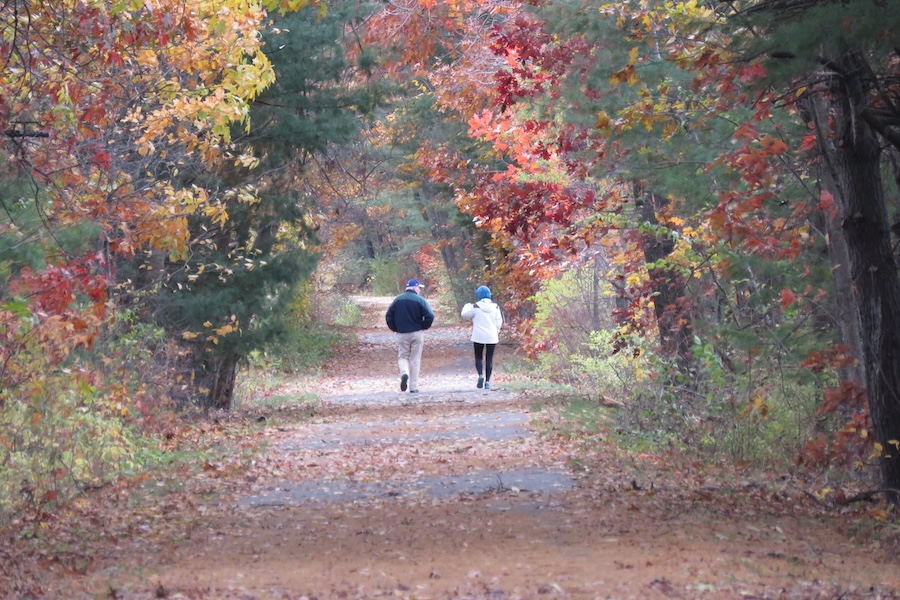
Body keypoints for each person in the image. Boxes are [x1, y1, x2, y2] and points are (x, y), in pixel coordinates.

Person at [385, 278, 435, 393]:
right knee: (415, 360)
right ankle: (413, 387)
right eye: (419, 288)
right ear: (414, 287)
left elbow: (389, 316)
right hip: (417, 333)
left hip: (402, 333)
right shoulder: (420, 300)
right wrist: (424, 326)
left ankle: (404, 373)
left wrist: (395, 328)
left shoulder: (397, 300)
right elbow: (430, 316)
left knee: (403, 357)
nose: (419, 290)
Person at [461, 285, 503, 390]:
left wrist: (467, 305)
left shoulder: (475, 307)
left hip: (478, 336)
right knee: (489, 358)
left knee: (478, 357)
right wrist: (496, 331)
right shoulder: (495, 307)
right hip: (492, 336)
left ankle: (480, 375)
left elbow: (464, 314)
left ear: (478, 295)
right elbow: (499, 321)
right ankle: (488, 381)